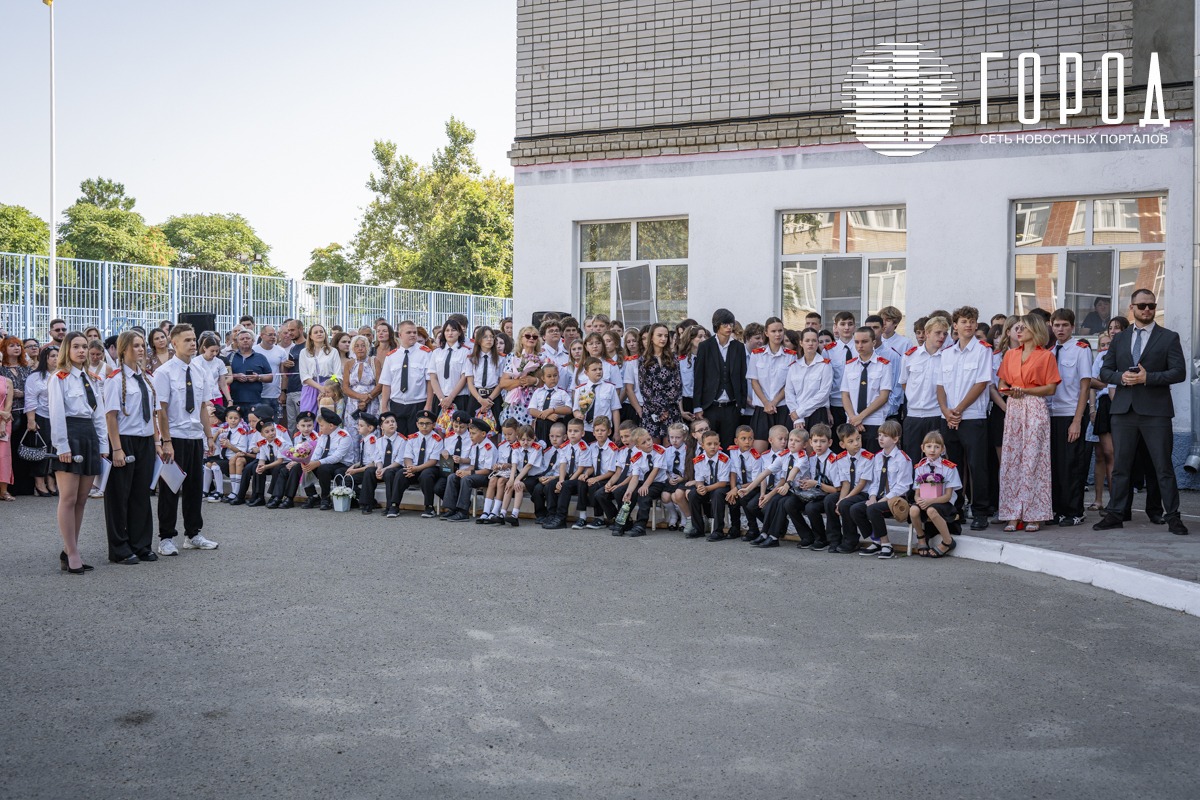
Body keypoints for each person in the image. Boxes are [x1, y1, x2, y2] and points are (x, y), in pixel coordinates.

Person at [1095, 289, 1188, 535]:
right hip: (1123, 411)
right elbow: (1105, 371)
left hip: (1156, 412)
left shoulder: (1169, 337)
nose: (1147, 309)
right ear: (1132, 308)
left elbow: (1179, 372)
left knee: (1163, 467)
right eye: (1142, 305)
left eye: (1151, 305)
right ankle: (1116, 514)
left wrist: (1149, 378)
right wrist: (1121, 378)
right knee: (1121, 466)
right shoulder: (1120, 339)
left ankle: (1173, 517)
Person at [153, 324, 220, 556]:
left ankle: (193, 534)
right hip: (175, 436)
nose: (192, 344)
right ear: (174, 343)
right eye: (187, 340)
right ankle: (166, 537)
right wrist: (166, 441)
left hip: (194, 436)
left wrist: (209, 436)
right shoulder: (164, 372)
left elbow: (202, 407)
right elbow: (161, 410)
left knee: (194, 487)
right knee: (170, 487)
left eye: (194, 339)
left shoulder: (200, 370)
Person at [47, 332, 108, 574]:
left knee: (82, 499)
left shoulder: (92, 378)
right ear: (67, 350)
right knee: (69, 498)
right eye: (76, 346)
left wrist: (103, 445)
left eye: (84, 346)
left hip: (89, 436)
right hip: (70, 434)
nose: (82, 351)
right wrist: (62, 445)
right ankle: (73, 553)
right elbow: (56, 414)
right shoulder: (59, 378)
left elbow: (99, 414)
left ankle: (69, 548)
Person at [995, 314, 1059, 532]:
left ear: (1035, 330)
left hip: (1034, 405)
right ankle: (1012, 513)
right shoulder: (1010, 354)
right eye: (1017, 328)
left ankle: (1035, 514)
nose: (1019, 331)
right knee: (1012, 460)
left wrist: (1026, 390)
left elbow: (1051, 388)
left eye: (1023, 327)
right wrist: (1010, 391)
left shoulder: (1046, 356)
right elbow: (1001, 382)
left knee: (1035, 460)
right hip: (1014, 406)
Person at [102, 331, 159, 564]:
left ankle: (141, 543)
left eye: (142, 345)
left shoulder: (147, 378)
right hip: (124, 440)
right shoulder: (115, 379)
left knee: (141, 494)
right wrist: (117, 449)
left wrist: (157, 442)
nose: (141, 349)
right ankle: (119, 548)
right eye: (135, 346)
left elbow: (153, 414)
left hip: (145, 440)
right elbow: (111, 417)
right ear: (123, 349)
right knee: (119, 496)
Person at [936, 306, 994, 530]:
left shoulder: (983, 350)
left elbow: (981, 383)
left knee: (977, 466)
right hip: (949, 418)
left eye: (972, 321)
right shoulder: (946, 353)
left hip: (972, 417)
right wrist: (946, 411)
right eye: (963, 321)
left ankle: (980, 511)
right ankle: (956, 509)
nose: (968, 325)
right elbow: (940, 386)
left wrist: (958, 410)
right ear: (955, 325)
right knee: (953, 466)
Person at [1046, 309, 1093, 526]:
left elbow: (1085, 387)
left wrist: (1077, 420)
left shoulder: (1081, 350)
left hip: (1070, 413)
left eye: (1065, 325)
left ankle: (1075, 511)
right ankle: (1057, 510)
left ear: (1072, 327)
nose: (1060, 329)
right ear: (1051, 326)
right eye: (1057, 325)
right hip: (1051, 414)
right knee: (1054, 465)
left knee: (1072, 464)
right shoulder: (1048, 351)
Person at [848, 420, 912, 559]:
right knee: (855, 509)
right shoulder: (877, 457)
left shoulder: (903, 459)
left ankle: (886, 544)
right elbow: (875, 482)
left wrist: (883, 500)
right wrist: (872, 497)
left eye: (885, 436)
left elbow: (903, 486)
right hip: (879, 497)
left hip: (896, 499)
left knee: (873, 509)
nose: (881, 438)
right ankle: (876, 541)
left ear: (895, 439)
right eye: (880, 435)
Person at [692, 308, 748, 448]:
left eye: (731, 324)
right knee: (709, 445)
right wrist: (697, 406)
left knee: (729, 446)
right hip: (710, 405)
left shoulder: (739, 347)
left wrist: (741, 405)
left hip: (732, 406)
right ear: (717, 325)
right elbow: (699, 377)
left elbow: (742, 377)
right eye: (725, 324)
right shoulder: (705, 346)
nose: (729, 327)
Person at [899, 315, 948, 464]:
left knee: (935, 460)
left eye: (945, 333)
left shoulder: (947, 357)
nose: (942, 337)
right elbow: (904, 382)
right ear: (927, 333)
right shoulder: (910, 356)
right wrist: (914, 396)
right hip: (913, 415)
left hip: (936, 414)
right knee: (912, 459)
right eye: (938, 333)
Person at [909, 431, 964, 558]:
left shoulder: (949, 467)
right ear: (923, 448)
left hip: (943, 503)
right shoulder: (920, 467)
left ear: (942, 449)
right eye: (929, 446)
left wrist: (929, 502)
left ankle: (948, 541)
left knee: (931, 510)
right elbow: (917, 493)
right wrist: (919, 500)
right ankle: (921, 538)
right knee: (913, 510)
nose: (932, 450)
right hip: (925, 501)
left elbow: (948, 496)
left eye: (937, 447)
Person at [379, 320, 434, 436]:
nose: (413, 335)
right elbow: (386, 383)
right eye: (409, 332)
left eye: (414, 332)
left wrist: (428, 405)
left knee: (416, 439)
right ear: (400, 335)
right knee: (398, 439)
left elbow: (430, 382)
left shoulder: (426, 353)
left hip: (418, 404)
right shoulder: (391, 356)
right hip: (397, 404)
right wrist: (384, 407)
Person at [841, 326, 894, 447]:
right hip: (852, 422)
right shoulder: (850, 365)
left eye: (864, 341)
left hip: (874, 421)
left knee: (873, 456)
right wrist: (854, 418)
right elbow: (845, 395)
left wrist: (861, 417)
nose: (860, 345)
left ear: (873, 342)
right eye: (857, 342)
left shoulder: (884, 365)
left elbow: (883, 396)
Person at [440, 417, 498, 521]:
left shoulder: (489, 447)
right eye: (470, 433)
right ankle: (451, 509)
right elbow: (473, 464)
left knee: (466, 479)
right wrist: (463, 471)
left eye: (473, 433)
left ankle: (463, 512)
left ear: (483, 434)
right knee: (453, 476)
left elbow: (487, 471)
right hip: (476, 473)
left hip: (486, 476)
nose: (470, 436)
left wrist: (468, 473)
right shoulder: (475, 445)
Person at [24, 345, 59, 496]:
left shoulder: (63, 374)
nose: (56, 359)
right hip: (41, 416)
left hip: (59, 417)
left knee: (56, 449)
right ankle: (39, 482)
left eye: (58, 355)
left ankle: (51, 480)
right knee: (40, 450)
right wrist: (31, 420)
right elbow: (30, 400)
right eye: (53, 356)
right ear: (45, 358)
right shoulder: (35, 377)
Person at [785, 328, 833, 432]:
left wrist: (800, 412)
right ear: (801, 343)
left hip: (817, 413)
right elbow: (789, 392)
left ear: (817, 343)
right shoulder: (794, 366)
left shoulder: (825, 365)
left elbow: (823, 394)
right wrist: (797, 415)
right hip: (795, 415)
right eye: (807, 340)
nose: (810, 343)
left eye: (814, 340)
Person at [0, 336, 30, 497]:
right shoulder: (1, 369)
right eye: (11, 345)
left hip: (25, 411)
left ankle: (23, 486)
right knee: (7, 450)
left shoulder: (26, 368)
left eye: (18, 345)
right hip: (8, 415)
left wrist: (23, 393)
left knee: (22, 448)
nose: (16, 348)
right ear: (4, 349)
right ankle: (7, 487)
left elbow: (34, 389)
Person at [573, 357, 621, 440]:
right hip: (586, 429)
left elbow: (615, 410)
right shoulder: (581, 389)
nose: (598, 371)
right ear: (586, 373)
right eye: (594, 370)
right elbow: (575, 409)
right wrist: (577, 414)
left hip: (604, 429)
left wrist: (617, 432)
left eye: (600, 369)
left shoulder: (610, 388)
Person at [228, 329, 272, 418]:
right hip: (234, 400)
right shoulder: (230, 357)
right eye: (242, 339)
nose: (245, 340)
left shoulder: (260, 357)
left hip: (255, 400)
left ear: (253, 341)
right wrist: (235, 376)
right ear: (237, 342)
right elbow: (223, 377)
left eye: (248, 338)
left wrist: (258, 377)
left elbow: (270, 377)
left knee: (254, 424)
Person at [299, 324, 340, 416]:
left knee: (326, 417)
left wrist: (327, 386)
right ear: (310, 336)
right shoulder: (304, 352)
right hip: (310, 388)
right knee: (308, 416)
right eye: (316, 332)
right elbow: (304, 376)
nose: (319, 334)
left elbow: (337, 374)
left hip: (328, 389)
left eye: (321, 332)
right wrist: (319, 387)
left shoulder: (333, 351)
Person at [464, 326, 503, 419]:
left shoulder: (500, 359)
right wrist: (480, 400)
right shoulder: (471, 359)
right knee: (473, 425)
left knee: (495, 425)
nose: (489, 339)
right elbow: (470, 382)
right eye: (485, 337)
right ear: (479, 339)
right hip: (476, 397)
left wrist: (489, 399)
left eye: (491, 336)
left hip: (493, 397)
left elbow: (501, 383)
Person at [343, 335, 381, 425]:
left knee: (370, 427)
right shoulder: (349, 364)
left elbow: (380, 384)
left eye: (363, 345)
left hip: (371, 401)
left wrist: (367, 398)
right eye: (357, 346)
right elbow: (345, 387)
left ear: (367, 347)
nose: (360, 348)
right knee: (353, 429)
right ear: (353, 348)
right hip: (353, 403)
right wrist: (360, 397)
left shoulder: (374, 361)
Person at [253, 325, 287, 420]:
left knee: (276, 423)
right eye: (270, 335)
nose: (273, 337)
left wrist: (283, 392)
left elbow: (284, 375)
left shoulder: (281, 351)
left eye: (274, 335)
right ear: (262, 335)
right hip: (260, 395)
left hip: (276, 395)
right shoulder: (254, 350)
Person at [281, 319, 306, 428]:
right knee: (291, 424)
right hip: (290, 391)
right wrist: (285, 366)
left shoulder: (308, 346)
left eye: (292, 330)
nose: (289, 333)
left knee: (303, 423)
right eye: (288, 330)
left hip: (302, 390)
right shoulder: (292, 349)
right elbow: (287, 373)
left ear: (301, 329)